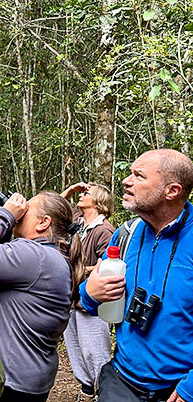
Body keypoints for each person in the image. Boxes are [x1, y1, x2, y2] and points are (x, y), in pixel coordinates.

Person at [80, 149, 193, 402]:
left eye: (138, 175)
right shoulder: (126, 234)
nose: (126, 180)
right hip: (121, 381)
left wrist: (190, 389)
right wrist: (89, 292)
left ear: (171, 191)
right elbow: (88, 299)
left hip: (178, 389)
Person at [0, 191, 85, 402]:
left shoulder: (35, 255)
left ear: (43, 223)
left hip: (10, 383)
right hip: (25, 379)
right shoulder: (48, 256)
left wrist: (6, 214)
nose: (21, 211)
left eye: (26, 209)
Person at [61, 182, 115, 401]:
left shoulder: (104, 230)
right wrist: (73, 189)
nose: (82, 195)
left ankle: (103, 391)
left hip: (92, 302)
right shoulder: (78, 222)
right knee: (74, 347)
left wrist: (79, 269)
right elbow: (57, 205)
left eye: (87, 194)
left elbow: (108, 265)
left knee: (95, 350)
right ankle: (86, 389)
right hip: (71, 297)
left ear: (99, 202)